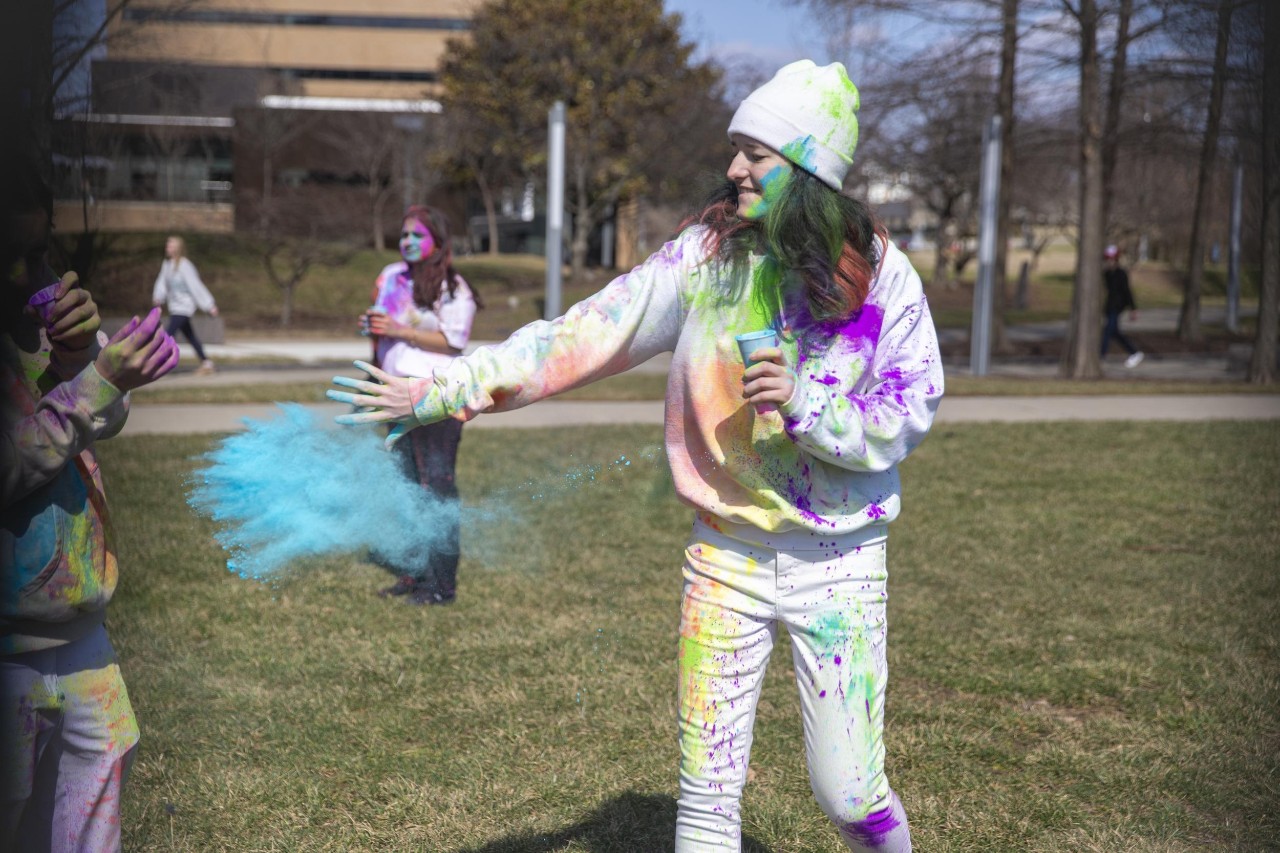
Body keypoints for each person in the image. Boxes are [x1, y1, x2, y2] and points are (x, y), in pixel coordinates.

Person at [331, 60, 941, 852]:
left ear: (808, 169)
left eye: (756, 154)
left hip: (840, 562)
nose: (734, 168)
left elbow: (906, 412)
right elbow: (581, 334)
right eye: (735, 149)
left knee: (850, 795)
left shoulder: (884, 277)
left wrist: (805, 405)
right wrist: (446, 386)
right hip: (724, 557)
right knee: (706, 802)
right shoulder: (707, 256)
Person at [1, 167, 180, 851]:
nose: (30, 276)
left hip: (82, 636)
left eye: (39, 252)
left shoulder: (33, 323)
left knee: (91, 819)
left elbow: (104, 418)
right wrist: (93, 383)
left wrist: (80, 356)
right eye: (10, 255)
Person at [361, 205, 480, 606]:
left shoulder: (453, 287)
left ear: (437, 241)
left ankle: (441, 585)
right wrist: (374, 329)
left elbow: (454, 341)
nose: (408, 241)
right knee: (408, 487)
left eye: (417, 235)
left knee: (436, 488)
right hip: (395, 393)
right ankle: (415, 573)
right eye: (404, 234)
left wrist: (399, 330)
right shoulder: (392, 277)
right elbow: (384, 324)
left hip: (435, 398)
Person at [152, 235, 219, 375]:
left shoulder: (185, 265)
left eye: (170, 245)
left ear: (178, 248)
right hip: (175, 307)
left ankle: (156, 363)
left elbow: (196, 286)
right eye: (167, 245)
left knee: (168, 334)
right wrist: (158, 297)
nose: (167, 248)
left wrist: (209, 305)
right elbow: (161, 283)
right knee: (190, 336)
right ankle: (207, 362)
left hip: (185, 307)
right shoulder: (167, 265)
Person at [1101, 244, 1143, 368]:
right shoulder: (1107, 274)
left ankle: (1101, 356)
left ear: (1116, 259)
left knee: (1107, 331)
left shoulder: (1121, 274)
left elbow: (1127, 292)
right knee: (1114, 332)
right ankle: (1134, 352)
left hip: (1117, 306)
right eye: (1107, 259)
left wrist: (1133, 309)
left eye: (1111, 259)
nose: (1109, 262)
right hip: (1109, 306)